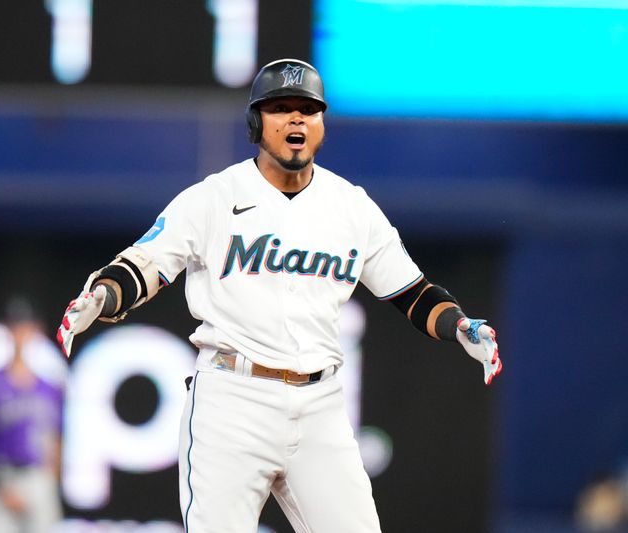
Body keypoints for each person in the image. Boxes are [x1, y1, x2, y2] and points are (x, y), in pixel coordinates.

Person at [56, 58, 502, 532]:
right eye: (280, 108)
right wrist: (103, 296)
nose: (295, 119)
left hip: (320, 408)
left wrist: (459, 326)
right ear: (256, 122)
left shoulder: (351, 206)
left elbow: (413, 294)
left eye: (307, 110)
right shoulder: (214, 197)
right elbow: (144, 267)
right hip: (232, 398)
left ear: (322, 124)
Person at [0, 299, 65, 533]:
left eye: (26, 327)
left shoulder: (49, 388)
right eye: (14, 327)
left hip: (37, 478)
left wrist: (50, 480)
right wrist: (1, 488)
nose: (20, 335)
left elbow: (55, 439)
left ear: (37, 331)